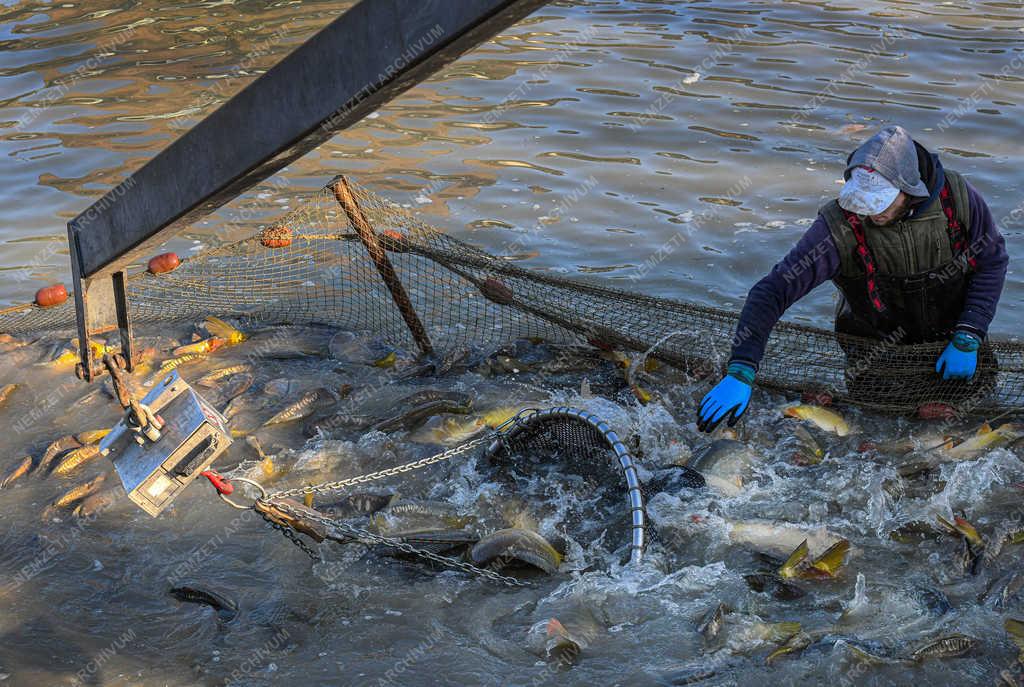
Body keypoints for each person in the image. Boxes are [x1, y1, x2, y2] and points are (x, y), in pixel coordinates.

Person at [697, 125, 1008, 433]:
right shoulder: (840, 227)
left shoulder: (956, 199)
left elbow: (992, 262)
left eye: (879, 202)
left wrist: (969, 333)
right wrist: (741, 368)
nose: (870, 213)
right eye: (863, 201)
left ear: (908, 189)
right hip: (878, 363)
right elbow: (773, 291)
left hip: (956, 350)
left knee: (974, 431)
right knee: (881, 441)